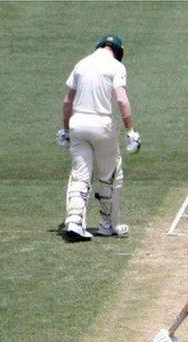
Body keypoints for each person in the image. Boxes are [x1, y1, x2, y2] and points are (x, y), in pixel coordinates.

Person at [57, 34, 141, 242]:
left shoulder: (81, 64)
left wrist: (66, 130)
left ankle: (74, 222)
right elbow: (121, 99)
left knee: (80, 174)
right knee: (109, 175)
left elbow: (68, 101)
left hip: (78, 125)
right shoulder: (116, 66)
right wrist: (130, 130)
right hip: (102, 126)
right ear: (117, 51)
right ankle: (107, 225)